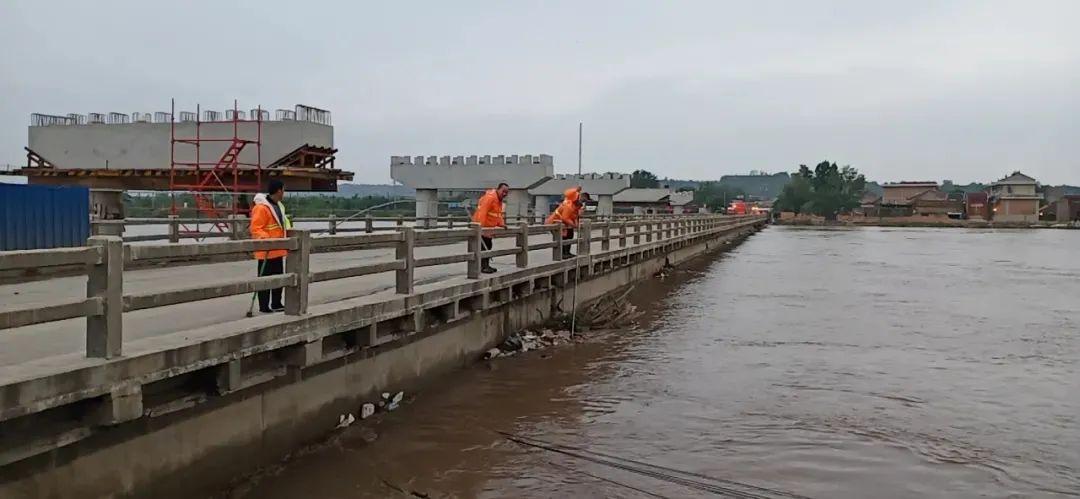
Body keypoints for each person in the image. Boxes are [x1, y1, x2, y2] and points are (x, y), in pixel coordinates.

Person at [250, 180, 292, 313]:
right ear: (279, 191)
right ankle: (263, 306)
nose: (284, 193)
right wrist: (267, 240)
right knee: (265, 280)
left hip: (278, 249)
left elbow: (283, 225)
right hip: (266, 250)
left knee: (279, 278)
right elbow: (256, 228)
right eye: (283, 190)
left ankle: (276, 303)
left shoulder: (279, 206)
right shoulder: (261, 208)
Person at [472, 182, 509, 273]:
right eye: (503, 191)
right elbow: (482, 213)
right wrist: (481, 228)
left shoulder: (498, 200)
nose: (504, 194)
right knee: (484, 247)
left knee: (488, 246)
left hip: (489, 229)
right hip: (484, 228)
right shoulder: (490, 198)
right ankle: (482, 267)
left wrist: (501, 224)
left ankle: (486, 265)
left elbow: (497, 214)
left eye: (506, 192)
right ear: (498, 189)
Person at [547, 192, 587, 258]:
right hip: (557, 222)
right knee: (563, 237)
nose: (583, 211)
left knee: (570, 235)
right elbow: (565, 218)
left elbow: (575, 218)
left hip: (564, 224)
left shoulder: (574, 209)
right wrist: (574, 225)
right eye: (582, 209)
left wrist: (576, 225)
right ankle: (562, 254)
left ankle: (567, 252)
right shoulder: (569, 206)